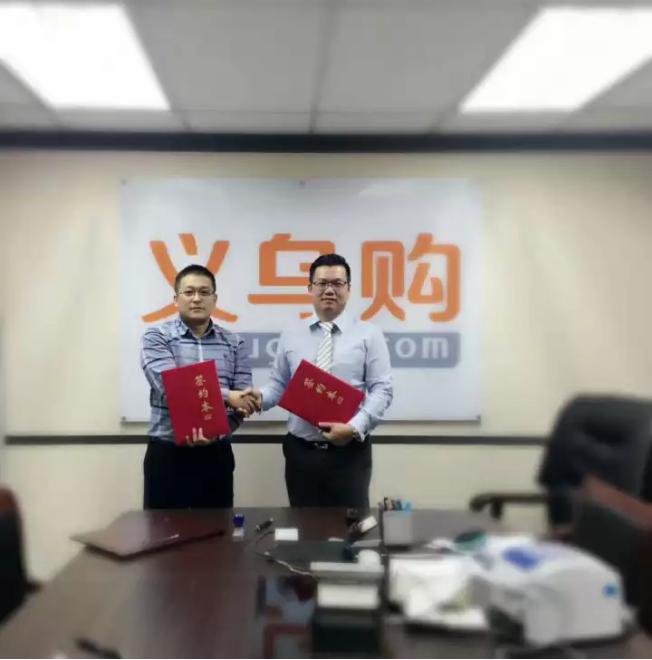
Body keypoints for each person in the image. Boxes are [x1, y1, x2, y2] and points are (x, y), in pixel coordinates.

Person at [254, 253, 393, 507]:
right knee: (303, 524)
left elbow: (382, 389)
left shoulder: (369, 334)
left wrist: (354, 428)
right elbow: (279, 384)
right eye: (322, 283)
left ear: (349, 289)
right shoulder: (292, 333)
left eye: (337, 283)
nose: (329, 290)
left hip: (349, 453)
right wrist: (258, 398)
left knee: (351, 524)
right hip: (301, 452)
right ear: (310, 288)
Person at [141, 264, 257, 509]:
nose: (196, 298)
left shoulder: (235, 343)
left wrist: (219, 431)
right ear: (176, 299)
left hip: (217, 454)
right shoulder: (156, 337)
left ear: (214, 299)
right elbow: (169, 385)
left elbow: (243, 401)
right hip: (167, 454)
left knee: (218, 529)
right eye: (189, 292)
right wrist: (228, 396)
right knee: (161, 530)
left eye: (204, 292)